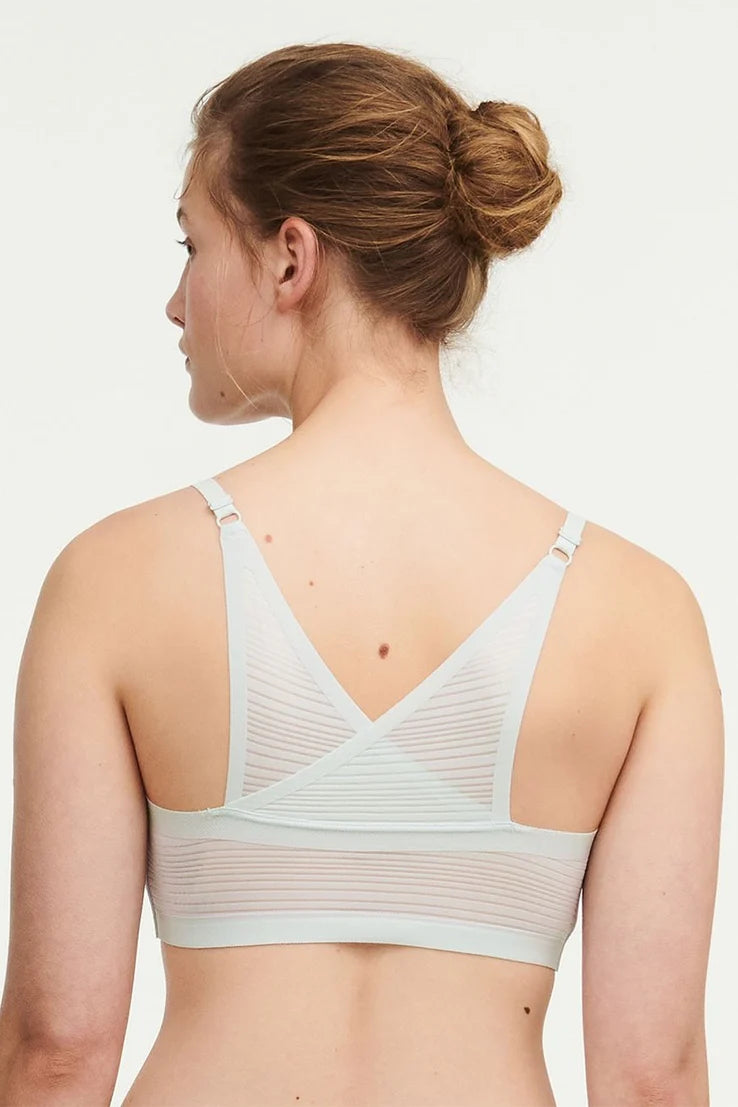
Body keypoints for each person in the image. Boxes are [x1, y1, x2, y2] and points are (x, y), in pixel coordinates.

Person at [0, 40, 723, 1107]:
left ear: (291, 258)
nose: (175, 302)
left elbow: (56, 1051)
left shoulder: (115, 583)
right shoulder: (640, 615)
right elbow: (652, 1079)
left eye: (193, 244)